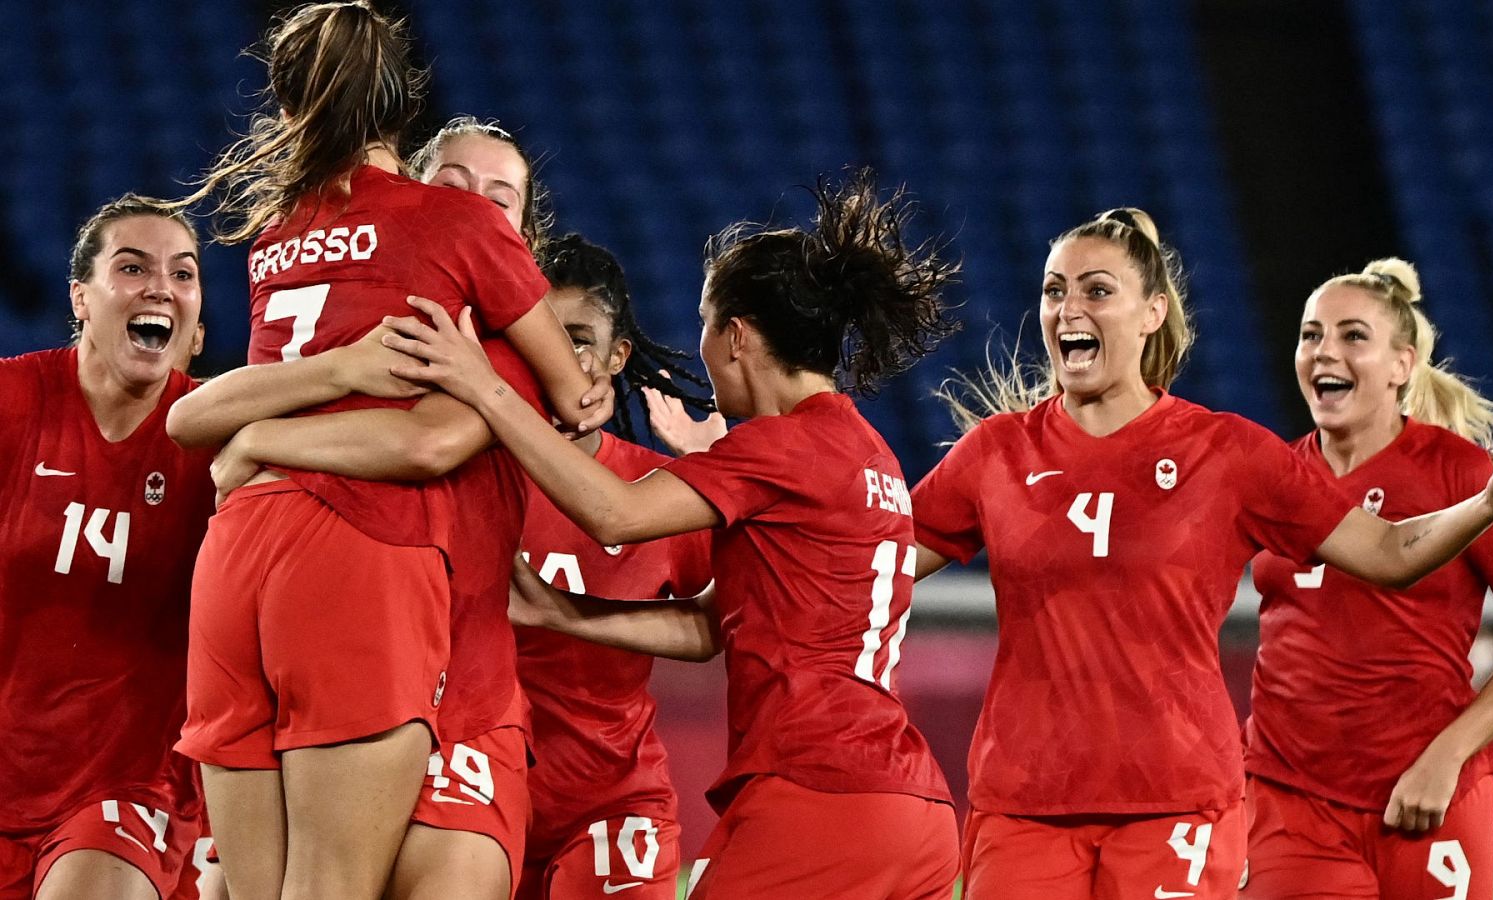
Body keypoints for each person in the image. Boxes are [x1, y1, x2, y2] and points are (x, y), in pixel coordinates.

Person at [908, 208, 1493, 900]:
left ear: (1152, 312)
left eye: (1097, 290)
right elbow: (871, 566)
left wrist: (1490, 503)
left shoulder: (1230, 454)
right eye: (1053, 290)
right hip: (1048, 800)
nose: (1068, 308)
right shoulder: (997, 453)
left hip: (1183, 801)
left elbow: (1391, 551)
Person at [379, 170, 964, 898]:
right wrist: (562, 612)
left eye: (707, 324)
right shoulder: (868, 452)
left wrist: (484, 386)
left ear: (738, 335)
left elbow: (615, 513)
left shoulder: (782, 447)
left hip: (818, 794)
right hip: (917, 811)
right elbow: (712, 627)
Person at [162, 5, 607, 899]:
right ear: (405, 111)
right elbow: (563, 398)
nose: (477, 198)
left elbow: (199, 419)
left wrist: (257, 441)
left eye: (499, 191)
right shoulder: (464, 238)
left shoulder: (278, 238)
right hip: (361, 559)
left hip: (237, 557)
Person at [1240, 259, 1493, 900]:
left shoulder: (1464, 472)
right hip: (1291, 797)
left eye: (1352, 336)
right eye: (1311, 335)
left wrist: (1448, 756)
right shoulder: (1271, 477)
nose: (1324, 352)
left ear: (1402, 365)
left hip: (1426, 794)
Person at [0, 196, 210, 900]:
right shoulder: (14, 403)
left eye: (182, 274)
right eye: (132, 267)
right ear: (80, 299)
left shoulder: (224, 442)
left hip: (133, 782)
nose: (160, 286)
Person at [515, 233, 714, 900]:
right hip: (472, 799)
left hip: (612, 804)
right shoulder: (458, 471)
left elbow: (738, 616)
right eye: (540, 334)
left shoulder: (659, 493)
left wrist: (729, 475)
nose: (559, 358)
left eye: (579, 337)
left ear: (617, 355)